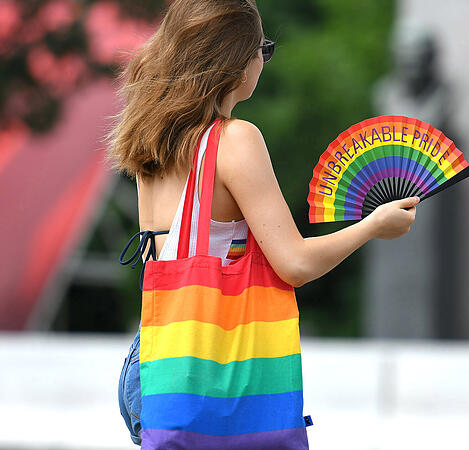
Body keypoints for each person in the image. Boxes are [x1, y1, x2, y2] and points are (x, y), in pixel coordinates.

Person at [104, 0, 419, 445]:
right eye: (262, 48)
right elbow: (294, 263)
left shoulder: (151, 143)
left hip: (155, 367)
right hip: (215, 375)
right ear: (236, 59)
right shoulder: (235, 140)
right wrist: (373, 225)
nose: (262, 61)